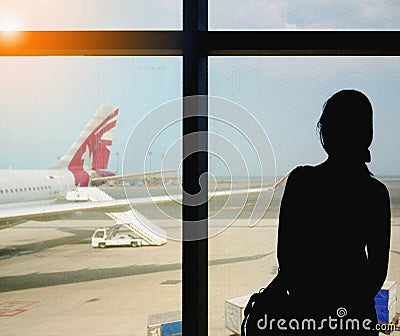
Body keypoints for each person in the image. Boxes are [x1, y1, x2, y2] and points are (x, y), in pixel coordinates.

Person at [275, 89, 391, 335]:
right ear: (366, 134)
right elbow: (377, 270)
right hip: (355, 317)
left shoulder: (301, 182)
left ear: (326, 132)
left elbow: (286, 256)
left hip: (305, 314)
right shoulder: (375, 193)